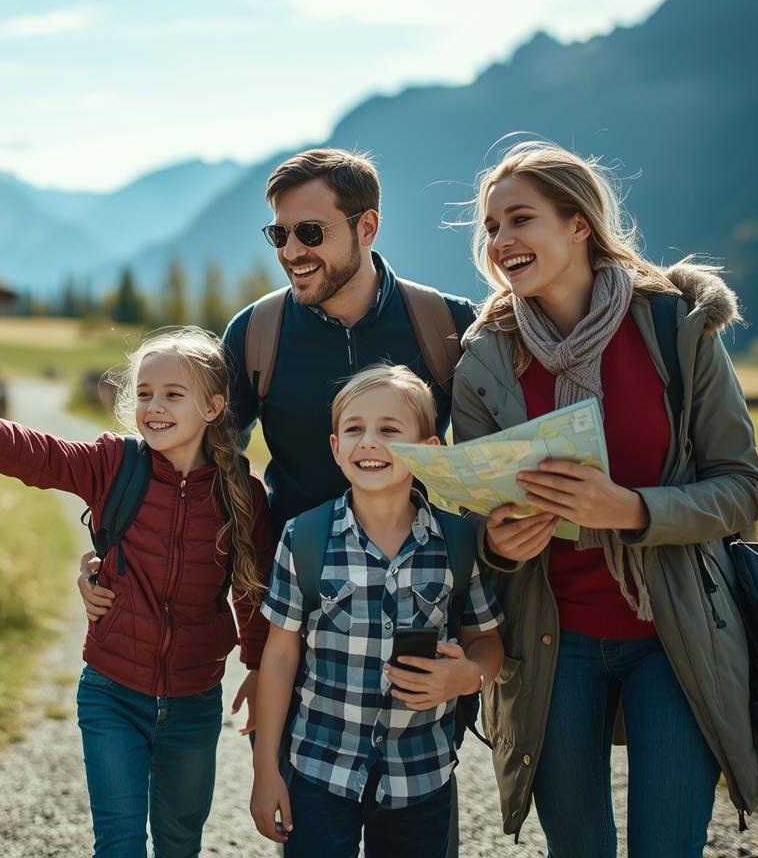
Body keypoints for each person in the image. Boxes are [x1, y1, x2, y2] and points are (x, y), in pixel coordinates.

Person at [80, 148, 477, 732]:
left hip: (418, 604)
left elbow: (491, 464)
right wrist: (110, 549)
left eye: (310, 232)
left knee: (420, 805)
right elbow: (191, 465)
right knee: (303, 814)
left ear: (367, 226)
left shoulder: (448, 324)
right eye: (279, 234)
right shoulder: (256, 331)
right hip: (298, 608)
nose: (291, 252)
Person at [452, 139, 758, 856]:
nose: (501, 240)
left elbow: (742, 487)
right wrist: (498, 541)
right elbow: (469, 519)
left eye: (520, 219)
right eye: (491, 226)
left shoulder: (676, 325)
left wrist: (630, 510)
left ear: (578, 226)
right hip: (548, 639)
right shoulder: (484, 355)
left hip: (674, 630)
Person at [0, 326, 275, 858]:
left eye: (173, 395)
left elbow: (254, 590)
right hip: (112, 693)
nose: (154, 407)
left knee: (181, 844)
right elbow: (35, 454)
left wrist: (255, 665)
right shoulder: (115, 465)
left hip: (194, 704)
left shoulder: (241, 494)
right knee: (119, 844)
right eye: (146, 394)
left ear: (212, 407)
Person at [248, 364, 504, 857]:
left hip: (421, 775)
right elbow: (278, 659)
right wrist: (266, 770)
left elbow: (486, 638)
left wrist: (468, 677)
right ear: (335, 448)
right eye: (354, 429)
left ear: (427, 450)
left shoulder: (454, 541)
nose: (369, 441)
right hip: (320, 770)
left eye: (389, 430)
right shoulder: (304, 537)